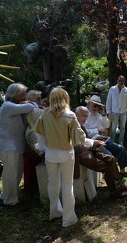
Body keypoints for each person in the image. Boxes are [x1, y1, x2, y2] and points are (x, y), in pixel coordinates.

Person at [35, 87, 86, 227]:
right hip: (66, 154)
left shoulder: (45, 114)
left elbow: (40, 135)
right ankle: (68, 218)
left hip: (50, 153)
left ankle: (55, 212)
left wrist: (41, 149)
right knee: (67, 185)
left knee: (53, 184)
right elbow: (79, 137)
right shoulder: (70, 115)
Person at [75, 106, 127, 198]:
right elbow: (78, 145)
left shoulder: (82, 125)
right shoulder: (73, 127)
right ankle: (115, 190)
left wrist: (95, 146)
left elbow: (106, 126)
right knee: (107, 165)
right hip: (83, 155)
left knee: (111, 158)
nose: (85, 118)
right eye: (83, 116)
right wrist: (94, 144)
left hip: (92, 150)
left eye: (86, 116)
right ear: (76, 115)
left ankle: (117, 186)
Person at [0, 83, 35, 206]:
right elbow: (31, 106)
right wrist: (30, 102)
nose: (24, 97)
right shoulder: (8, 106)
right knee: (10, 174)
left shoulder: (13, 106)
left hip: (14, 147)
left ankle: (6, 196)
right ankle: (10, 201)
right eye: (22, 94)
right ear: (14, 94)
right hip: (8, 147)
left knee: (17, 171)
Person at [84, 95, 127, 180]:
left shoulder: (98, 115)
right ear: (89, 103)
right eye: (95, 105)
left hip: (102, 139)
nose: (96, 108)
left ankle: (122, 172)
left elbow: (107, 125)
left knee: (120, 148)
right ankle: (114, 178)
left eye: (98, 106)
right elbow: (85, 131)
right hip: (92, 141)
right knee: (109, 155)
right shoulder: (85, 114)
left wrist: (103, 114)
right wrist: (98, 130)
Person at [106, 75, 127, 145]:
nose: (121, 82)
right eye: (119, 80)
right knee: (113, 128)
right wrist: (108, 111)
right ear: (117, 81)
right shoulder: (112, 89)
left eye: (122, 81)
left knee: (122, 127)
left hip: (123, 112)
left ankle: (121, 142)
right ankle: (112, 142)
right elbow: (109, 100)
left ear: (124, 81)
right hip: (114, 112)